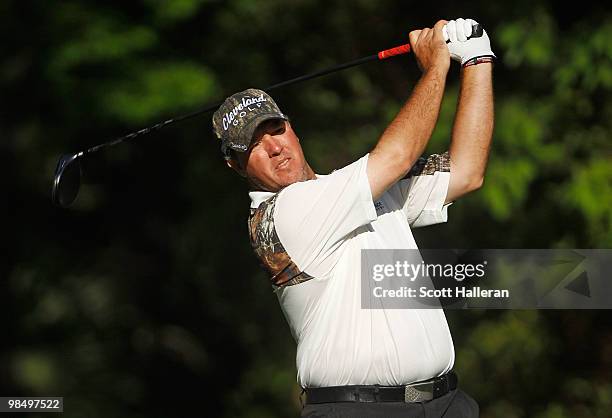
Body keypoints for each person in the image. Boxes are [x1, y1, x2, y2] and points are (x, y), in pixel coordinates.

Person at [212, 18, 494, 418]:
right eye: (253, 144)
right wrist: (435, 66)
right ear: (235, 165)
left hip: (447, 403)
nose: (274, 147)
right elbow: (396, 157)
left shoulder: (354, 191)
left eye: (275, 129)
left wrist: (477, 59)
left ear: (292, 128)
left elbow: (467, 173)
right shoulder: (281, 214)